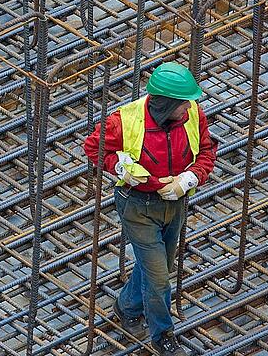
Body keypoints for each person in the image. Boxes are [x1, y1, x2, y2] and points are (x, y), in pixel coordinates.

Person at [83, 62, 217, 356]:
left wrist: (190, 178)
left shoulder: (193, 115)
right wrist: (119, 166)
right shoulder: (125, 121)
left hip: (174, 203)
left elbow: (207, 151)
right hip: (138, 206)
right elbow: (94, 147)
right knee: (159, 277)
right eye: (183, 104)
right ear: (167, 103)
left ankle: (127, 305)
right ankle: (163, 336)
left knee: (159, 267)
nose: (189, 108)